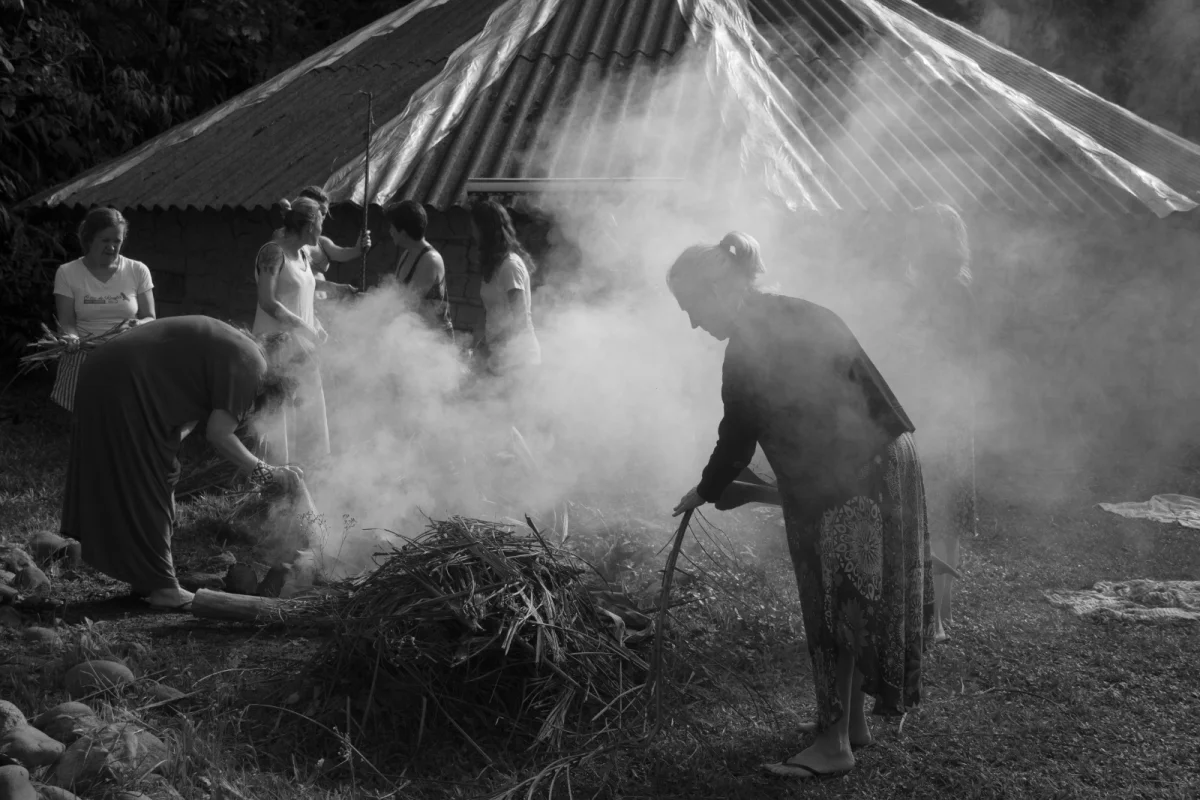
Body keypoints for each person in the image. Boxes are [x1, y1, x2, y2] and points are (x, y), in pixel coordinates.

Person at [669, 232, 934, 781]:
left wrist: (706, 490)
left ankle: (833, 743)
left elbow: (736, 439)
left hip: (855, 476)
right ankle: (852, 722)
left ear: (717, 288)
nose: (694, 323)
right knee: (857, 604)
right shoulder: (796, 312)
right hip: (890, 460)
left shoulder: (747, 344)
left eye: (692, 307)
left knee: (834, 606)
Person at [59, 315, 304, 610]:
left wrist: (165, 446)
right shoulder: (252, 365)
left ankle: (147, 577)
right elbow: (219, 434)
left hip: (109, 373)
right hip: (124, 381)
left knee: (158, 474)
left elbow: (184, 403)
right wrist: (266, 473)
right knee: (149, 480)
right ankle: (164, 589)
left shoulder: (240, 350)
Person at [898, 203, 978, 643]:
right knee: (924, 515)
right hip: (919, 409)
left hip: (943, 410)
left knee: (942, 518)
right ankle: (929, 612)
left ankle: (939, 617)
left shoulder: (953, 290)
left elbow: (958, 356)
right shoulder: (918, 289)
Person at [51, 207, 157, 411]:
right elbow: (67, 322)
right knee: (84, 420)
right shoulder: (67, 273)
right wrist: (71, 338)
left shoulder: (137, 270)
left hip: (125, 357)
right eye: (105, 240)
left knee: (121, 418)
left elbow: (150, 317)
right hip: (83, 357)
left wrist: (139, 323)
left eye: (117, 241)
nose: (112, 247)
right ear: (90, 239)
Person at [253, 197, 331, 467]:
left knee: (309, 418)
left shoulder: (304, 255)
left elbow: (303, 299)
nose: (323, 228)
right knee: (280, 422)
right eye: (321, 221)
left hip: (304, 349)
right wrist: (304, 327)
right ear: (310, 225)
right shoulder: (273, 252)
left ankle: (307, 480)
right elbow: (267, 301)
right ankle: (274, 483)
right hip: (277, 348)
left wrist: (317, 328)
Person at [470, 199, 541, 377]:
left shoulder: (510, 266)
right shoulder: (494, 267)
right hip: (500, 357)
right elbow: (491, 312)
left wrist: (496, 351)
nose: (472, 233)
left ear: (485, 230)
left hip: (518, 360)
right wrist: (477, 345)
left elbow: (520, 319)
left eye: (475, 227)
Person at [273, 186, 370, 286]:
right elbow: (295, 278)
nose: (321, 218)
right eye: (319, 211)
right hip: (297, 299)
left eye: (324, 213)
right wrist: (335, 288)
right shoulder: (285, 237)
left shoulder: (321, 242)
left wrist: (358, 249)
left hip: (322, 299)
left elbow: (341, 253)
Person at [386, 199, 453, 337]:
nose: (390, 231)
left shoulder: (430, 260)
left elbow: (409, 304)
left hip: (434, 343)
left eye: (392, 227)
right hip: (412, 337)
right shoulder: (407, 253)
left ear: (403, 233)